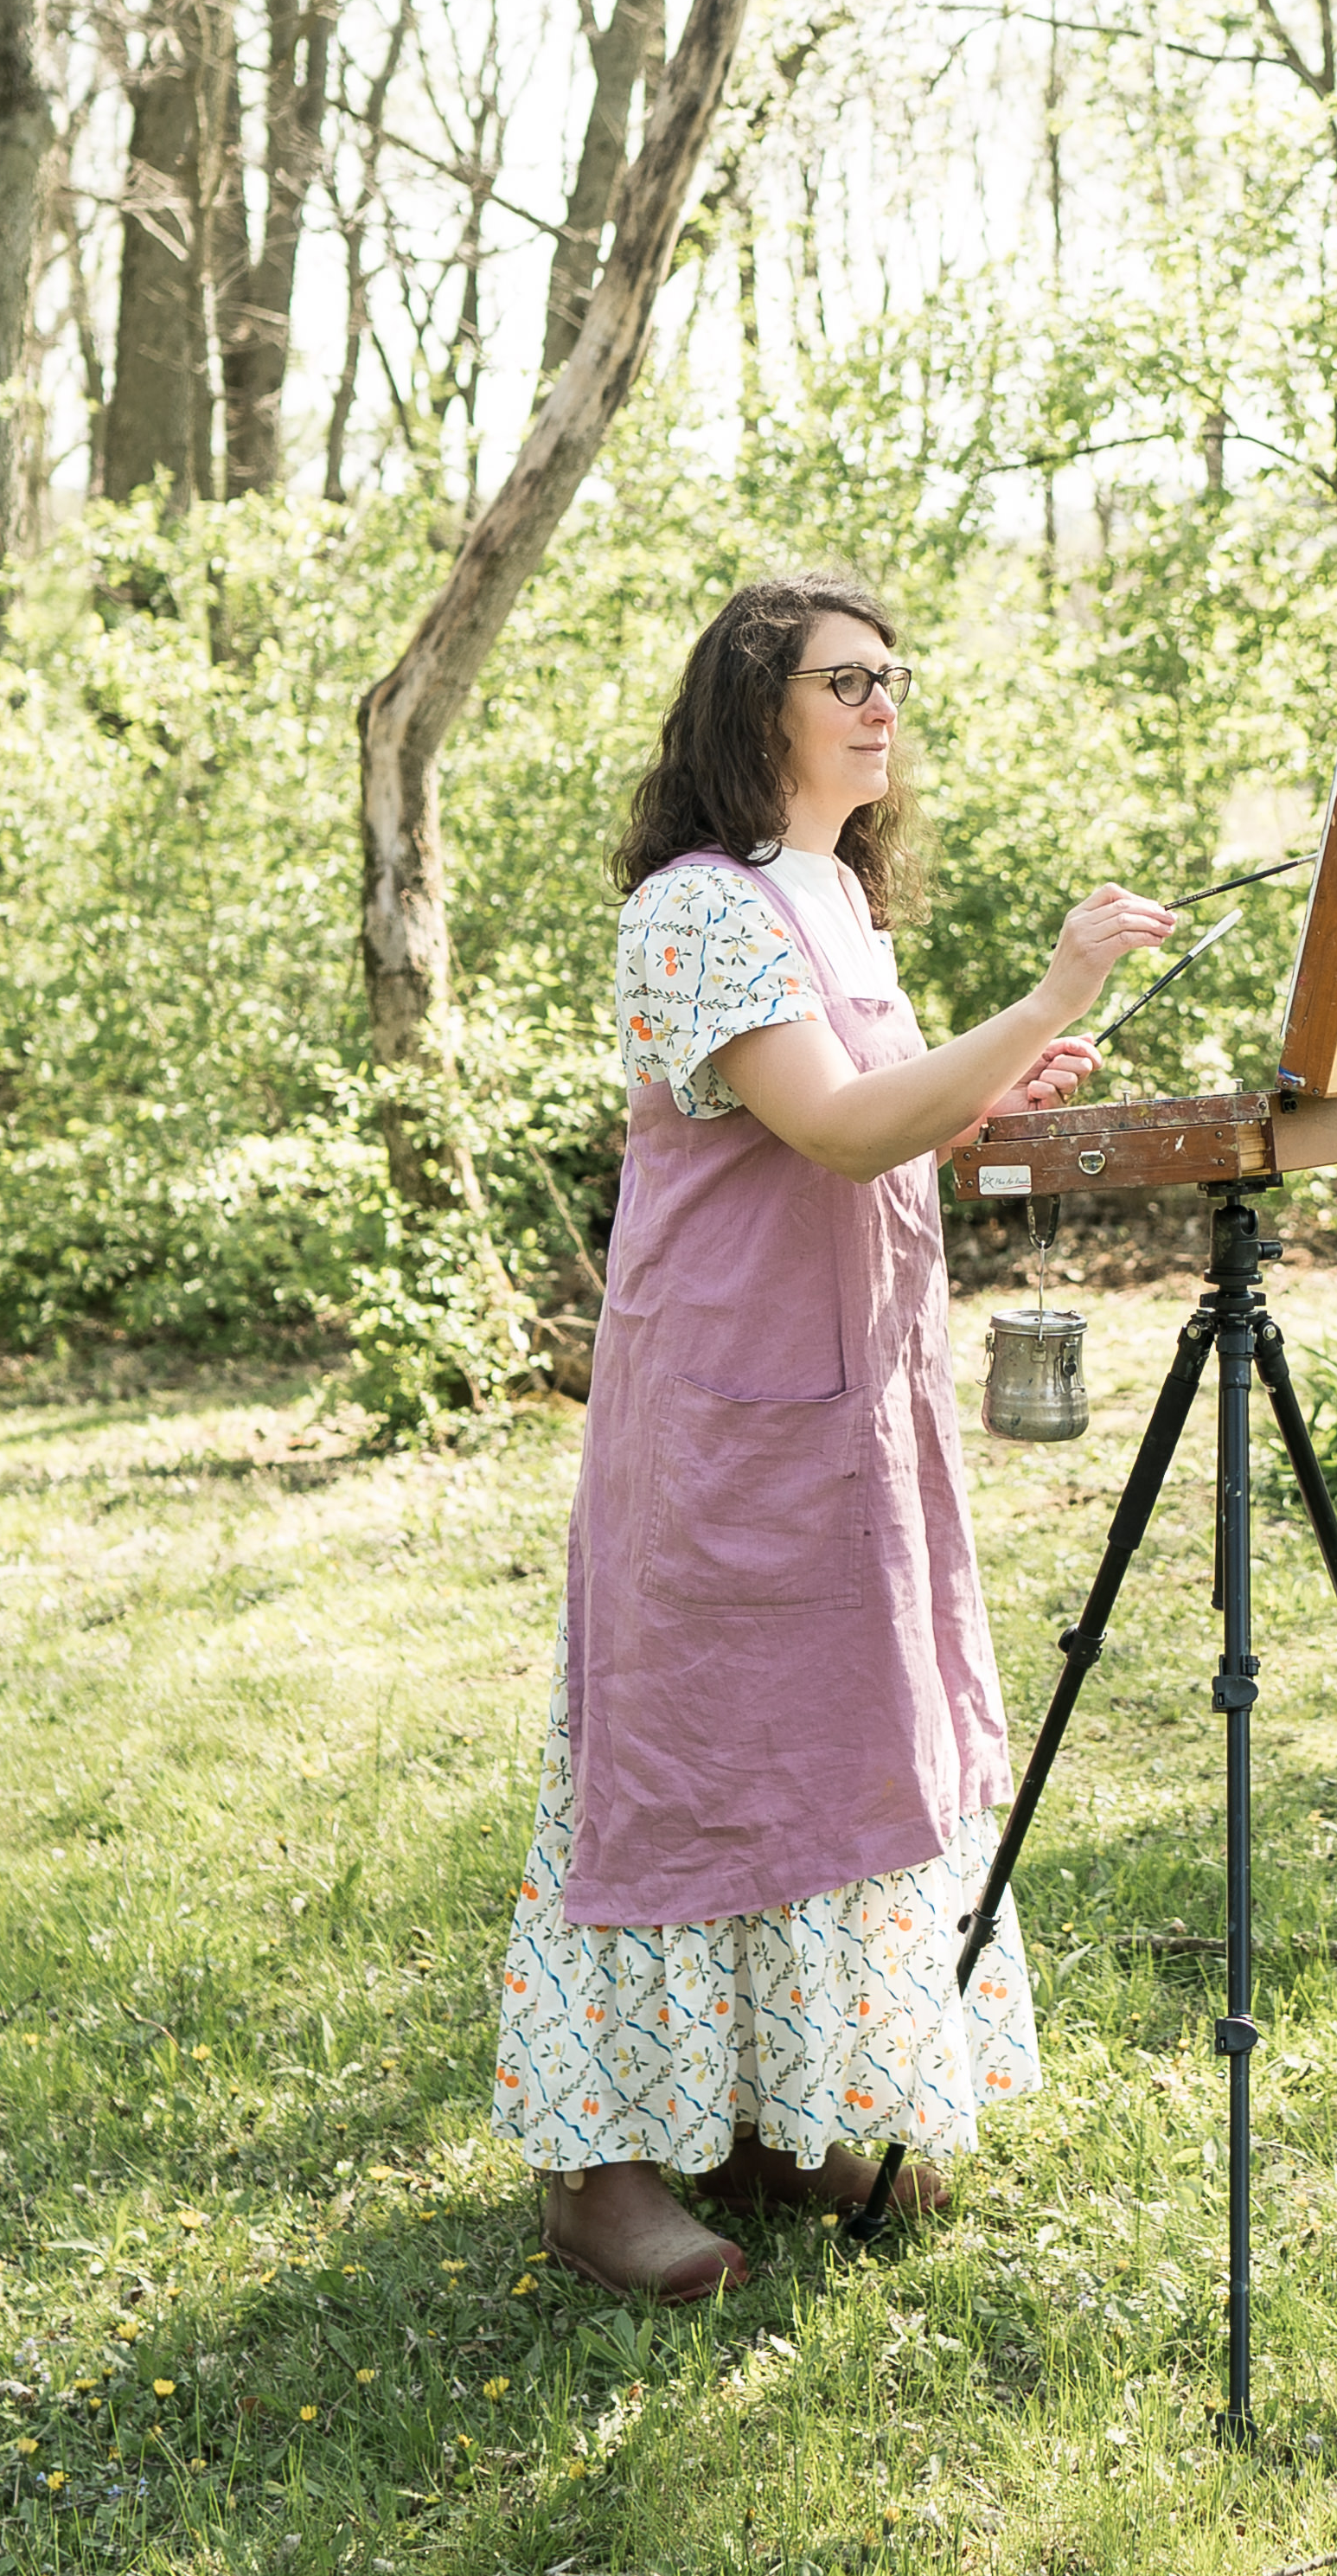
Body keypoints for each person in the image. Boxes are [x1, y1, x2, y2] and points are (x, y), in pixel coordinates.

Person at [491, 573, 1175, 2301]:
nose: (881, 704)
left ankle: (779, 2121)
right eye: (842, 679)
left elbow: (875, 1125)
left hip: (853, 1408)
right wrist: (1035, 1000)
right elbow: (833, 1126)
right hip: (722, 1418)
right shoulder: (698, 907)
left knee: (830, 1750)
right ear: (756, 711)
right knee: (684, 1771)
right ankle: (602, 2173)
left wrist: (988, 1098)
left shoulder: (836, 899)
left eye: (891, 678)